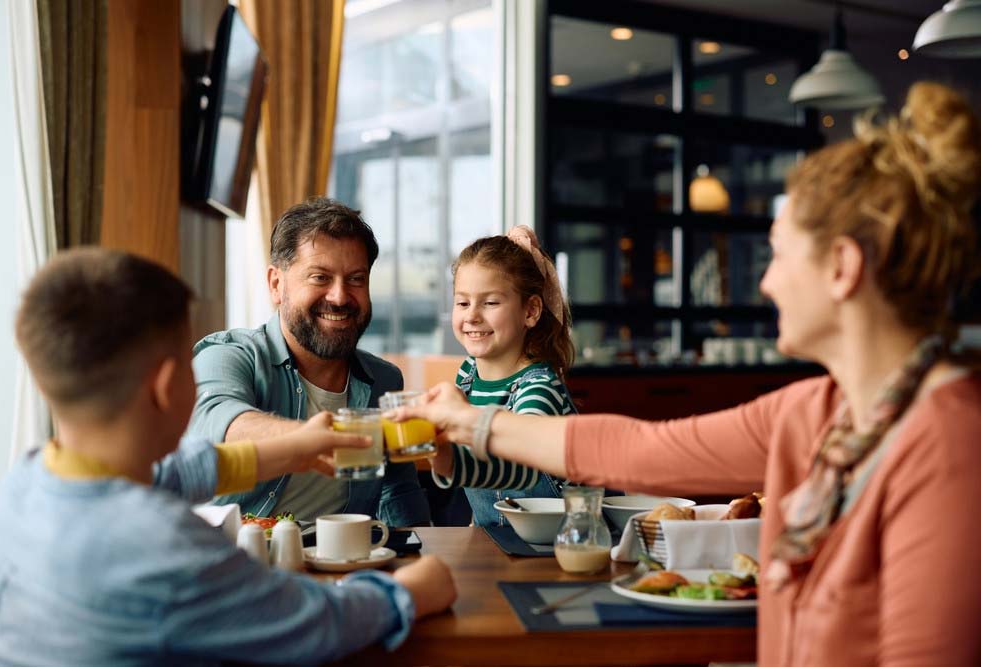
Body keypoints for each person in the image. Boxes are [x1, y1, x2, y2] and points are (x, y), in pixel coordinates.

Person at [388, 82, 981, 666]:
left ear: (842, 267)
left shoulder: (951, 445)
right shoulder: (814, 411)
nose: (766, 282)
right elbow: (641, 451)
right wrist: (468, 421)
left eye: (778, 253)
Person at [0, 248, 456, 666]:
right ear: (168, 386)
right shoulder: (161, 544)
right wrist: (409, 592)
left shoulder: (25, 482)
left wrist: (292, 448)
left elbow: (172, 475)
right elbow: (315, 625)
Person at [189, 197, 430, 526]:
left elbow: (396, 491)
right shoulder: (228, 355)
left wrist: (413, 550)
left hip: (341, 565)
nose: (340, 296)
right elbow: (217, 421)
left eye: (356, 279)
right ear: (277, 284)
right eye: (320, 277)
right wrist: (306, 441)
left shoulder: (384, 380)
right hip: (237, 561)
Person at [430, 227, 577, 527]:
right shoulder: (467, 373)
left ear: (531, 311)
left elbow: (518, 468)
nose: (472, 315)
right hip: (499, 541)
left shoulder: (539, 387)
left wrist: (447, 460)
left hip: (554, 547)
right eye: (463, 302)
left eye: (490, 303)